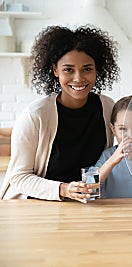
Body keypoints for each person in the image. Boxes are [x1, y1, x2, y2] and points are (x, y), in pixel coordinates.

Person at [0, 25, 120, 202]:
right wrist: (64, 189)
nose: (78, 78)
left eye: (87, 69)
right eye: (68, 70)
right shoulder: (36, 115)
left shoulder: (108, 107)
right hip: (35, 207)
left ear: (97, 70)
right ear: (55, 70)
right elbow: (19, 177)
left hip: (87, 206)